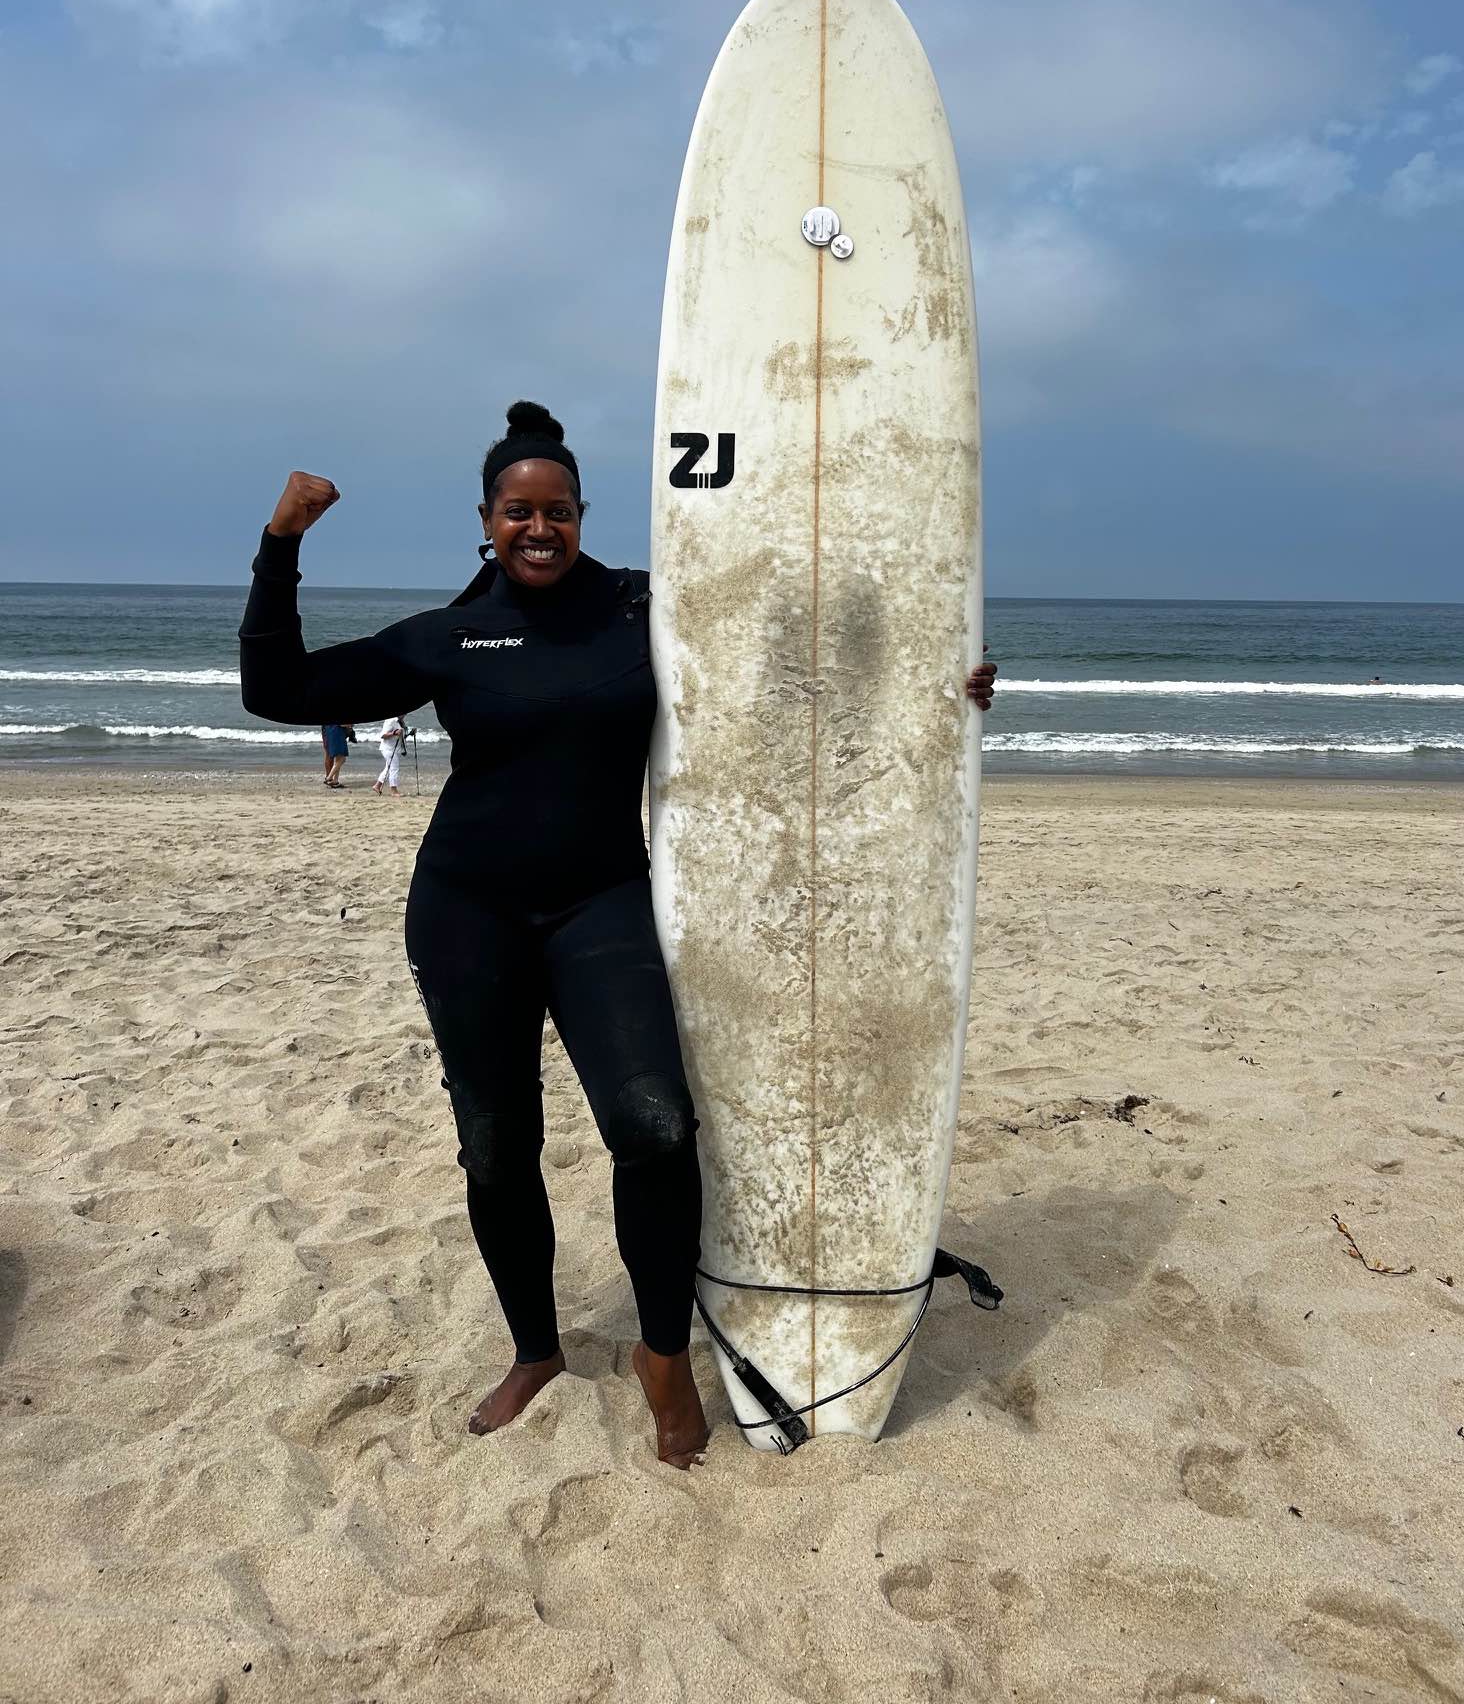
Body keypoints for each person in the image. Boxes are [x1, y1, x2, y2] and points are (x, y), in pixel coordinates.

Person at [239, 400, 997, 1468]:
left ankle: (660, 1355)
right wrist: (284, 542)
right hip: (466, 912)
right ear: (487, 519)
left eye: (557, 511)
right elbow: (275, 689)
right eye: (517, 512)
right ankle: (535, 1350)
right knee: (497, 1150)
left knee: (655, 1130)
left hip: (601, 905)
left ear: (583, 515)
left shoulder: (646, 608)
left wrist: (939, 683)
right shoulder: (453, 635)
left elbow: (796, 659)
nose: (537, 529)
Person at [374, 715, 406, 795]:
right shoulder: (391, 720)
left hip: (394, 749)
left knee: (388, 768)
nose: (405, 715)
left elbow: (402, 735)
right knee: (394, 768)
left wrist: (411, 733)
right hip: (388, 749)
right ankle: (393, 790)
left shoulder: (400, 721)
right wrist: (394, 733)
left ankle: (377, 786)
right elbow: (383, 735)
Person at [321, 721, 353, 787]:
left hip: (332, 733)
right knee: (342, 759)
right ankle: (329, 778)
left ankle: (335, 780)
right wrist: (349, 724)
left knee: (337, 759)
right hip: (337, 734)